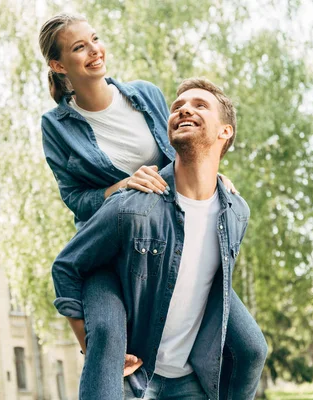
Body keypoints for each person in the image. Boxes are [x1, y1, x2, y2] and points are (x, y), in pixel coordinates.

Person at [39, 13, 267, 399]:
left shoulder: (145, 94)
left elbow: (181, 149)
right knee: (109, 337)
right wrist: (121, 186)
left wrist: (211, 179)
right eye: (80, 47)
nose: (95, 50)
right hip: (108, 249)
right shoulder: (56, 125)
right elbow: (74, 198)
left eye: (94, 39)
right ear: (58, 65)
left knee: (251, 348)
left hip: (165, 231)